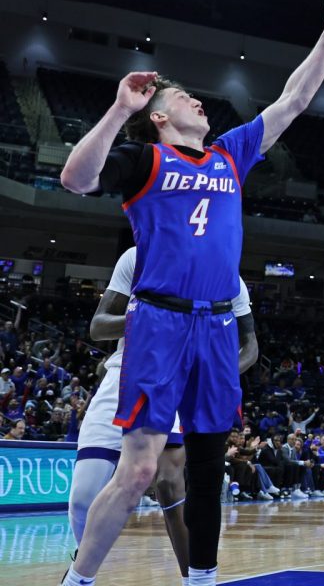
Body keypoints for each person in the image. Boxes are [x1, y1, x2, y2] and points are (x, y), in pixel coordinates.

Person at [57, 0, 324, 586]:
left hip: (218, 326)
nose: (199, 101)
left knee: (206, 471)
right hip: (160, 322)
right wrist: (122, 108)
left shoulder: (229, 154)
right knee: (140, 470)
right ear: (162, 117)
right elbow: (75, 178)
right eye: (183, 99)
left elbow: (295, 100)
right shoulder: (144, 158)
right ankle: (79, 580)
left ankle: (202, 580)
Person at [68, 246, 256, 579]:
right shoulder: (137, 257)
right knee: (83, 497)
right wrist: (149, 320)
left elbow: (250, 348)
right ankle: (82, 569)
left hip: (185, 382)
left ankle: (192, 578)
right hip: (127, 371)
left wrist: (214, 376)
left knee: (170, 482)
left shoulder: (228, 277)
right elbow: (98, 327)